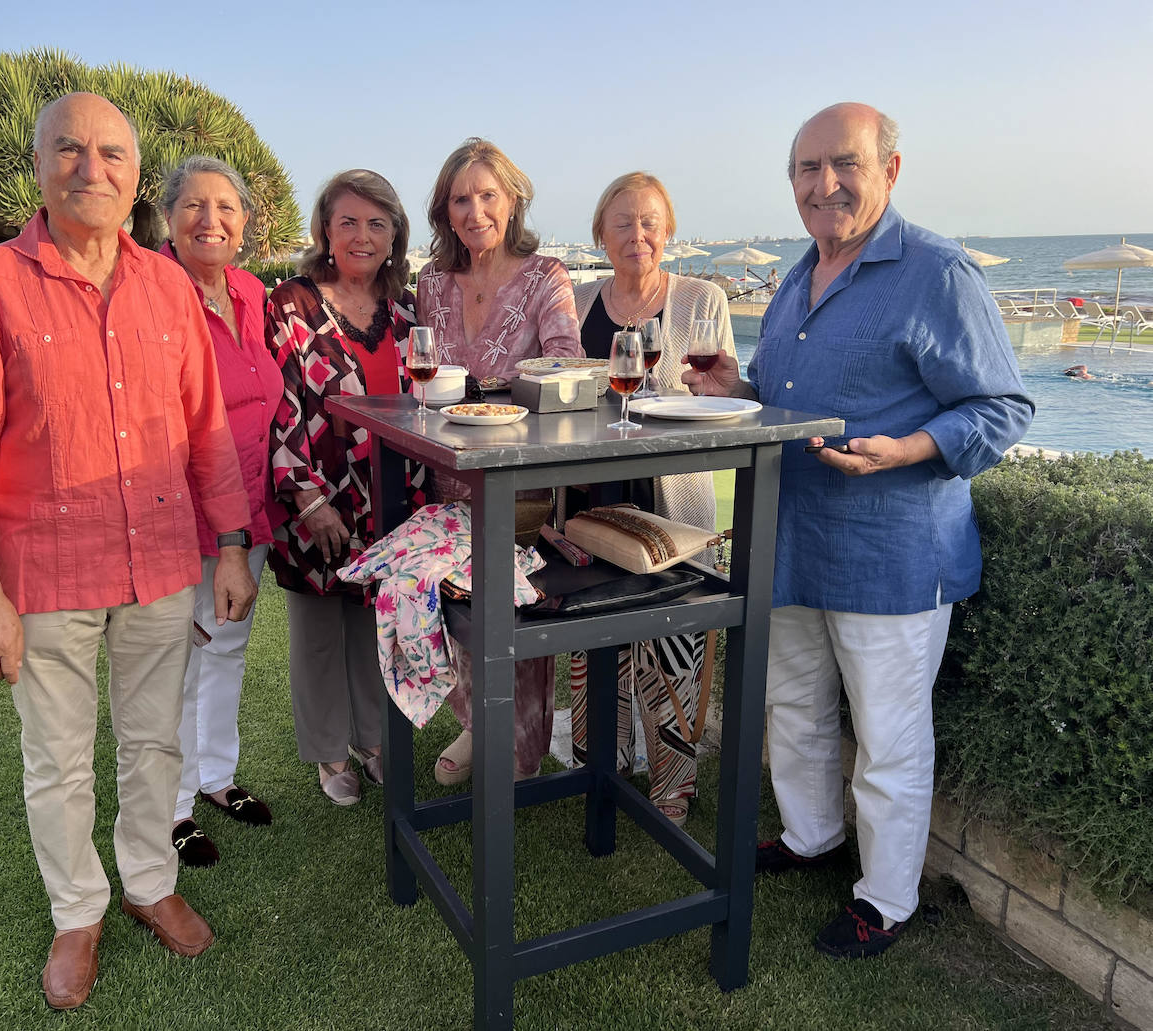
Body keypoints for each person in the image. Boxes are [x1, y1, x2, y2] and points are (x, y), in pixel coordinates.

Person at [0, 94, 258, 1009]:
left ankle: (149, 881)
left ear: (135, 174)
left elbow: (206, 433)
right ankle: (77, 910)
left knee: (153, 741)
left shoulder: (167, 288)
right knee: (58, 757)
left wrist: (232, 544)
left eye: (111, 152)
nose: (91, 167)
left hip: (160, 561)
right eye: (68, 149)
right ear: (38, 166)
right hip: (45, 568)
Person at [684, 102, 1033, 959]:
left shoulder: (938, 272)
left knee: (888, 736)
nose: (824, 183)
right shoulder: (795, 277)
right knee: (794, 705)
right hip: (793, 540)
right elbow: (783, 396)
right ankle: (811, 837)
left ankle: (886, 898)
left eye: (845, 163)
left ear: (891, 170)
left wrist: (908, 448)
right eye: (807, 168)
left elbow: (1004, 407)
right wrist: (739, 386)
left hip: (892, 552)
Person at [569, 172, 737, 826]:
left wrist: (714, 393)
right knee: (593, 640)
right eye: (622, 223)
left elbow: (723, 399)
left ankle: (673, 782)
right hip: (588, 504)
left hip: (673, 506)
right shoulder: (578, 300)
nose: (637, 235)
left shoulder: (701, 299)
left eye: (649, 222)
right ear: (600, 234)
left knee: (673, 645)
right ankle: (599, 768)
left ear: (668, 231)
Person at [415, 138, 582, 784]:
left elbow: (566, 368)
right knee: (452, 610)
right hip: (445, 476)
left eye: (488, 195)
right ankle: (474, 722)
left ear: (512, 202)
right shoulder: (431, 283)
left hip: (520, 484)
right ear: (445, 212)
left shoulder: (546, 277)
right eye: (461, 199)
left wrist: (504, 394)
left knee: (515, 616)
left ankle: (517, 745)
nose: (475, 210)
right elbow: (422, 376)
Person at [267, 169, 416, 806]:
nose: (362, 236)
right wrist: (308, 499)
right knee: (319, 631)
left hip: (393, 497)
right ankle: (329, 752)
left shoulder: (406, 310)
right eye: (348, 221)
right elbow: (280, 405)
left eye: (377, 223)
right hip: (318, 498)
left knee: (375, 624)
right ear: (325, 230)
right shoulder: (292, 305)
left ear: (394, 235)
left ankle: (373, 739)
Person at [158, 156, 280, 867]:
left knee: (228, 643)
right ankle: (171, 807)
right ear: (168, 218)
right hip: (184, 507)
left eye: (226, 207)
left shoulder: (249, 290)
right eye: (194, 206)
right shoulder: (153, 290)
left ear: (244, 222)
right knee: (179, 659)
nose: (211, 220)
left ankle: (216, 777)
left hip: (251, 502)